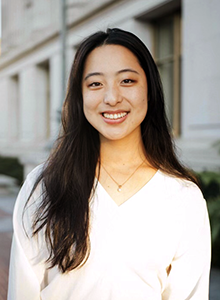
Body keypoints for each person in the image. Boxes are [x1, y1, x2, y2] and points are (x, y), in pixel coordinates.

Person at [8, 28, 211, 300]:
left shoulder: (183, 196)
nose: (112, 98)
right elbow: (23, 291)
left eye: (127, 81)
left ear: (149, 90)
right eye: (95, 84)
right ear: (80, 97)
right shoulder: (44, 185)